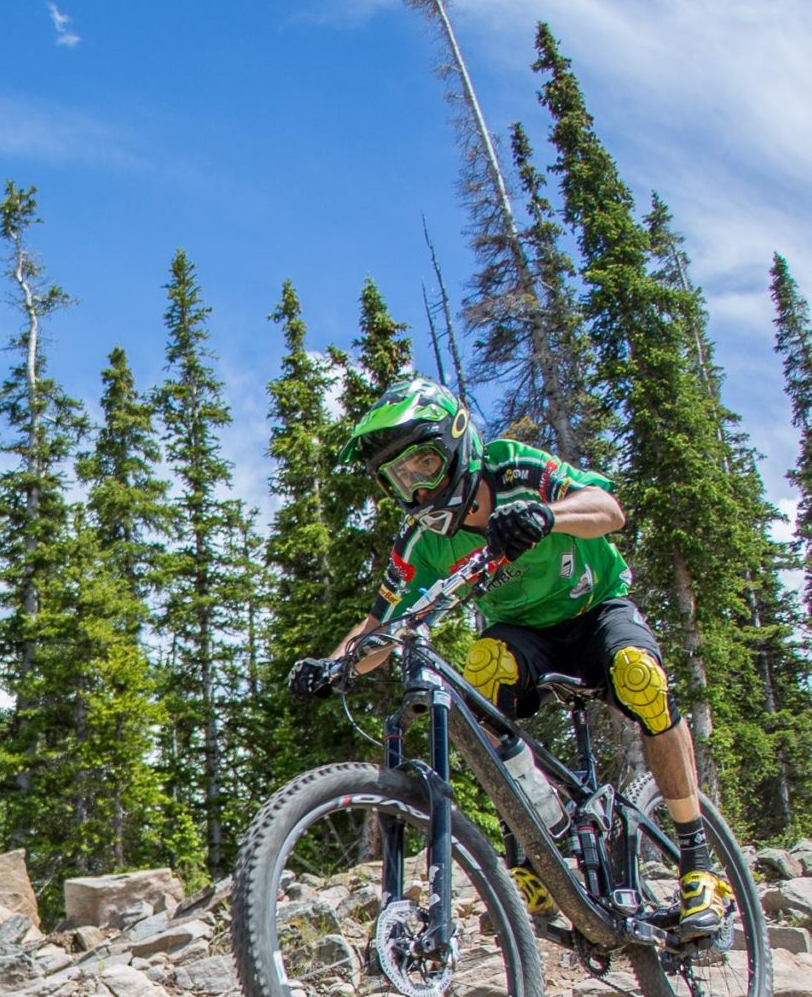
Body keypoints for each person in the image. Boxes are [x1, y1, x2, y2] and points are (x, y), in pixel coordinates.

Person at [290, 377, 727, 935]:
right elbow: (380, 625)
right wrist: (336, 665)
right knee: (481, 674)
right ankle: (534, 849)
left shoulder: (514, 468)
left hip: (596, 608)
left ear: (455, 444)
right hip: (524, 632)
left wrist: (548, 515)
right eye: (401, 478)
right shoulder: (423, 541)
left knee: (640, 679)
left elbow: (608, 509)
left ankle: (697, 859)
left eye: (424, 464)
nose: (418, 488)